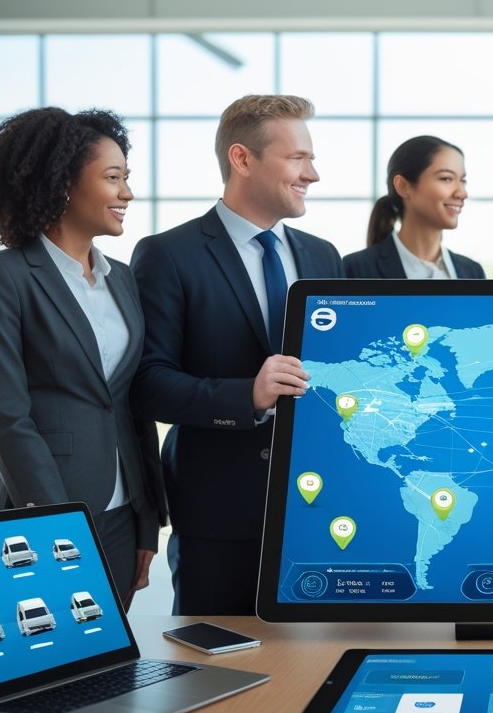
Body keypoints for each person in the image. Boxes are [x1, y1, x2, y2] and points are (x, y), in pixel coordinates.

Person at [130, 95, 343, 615]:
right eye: (297, 158)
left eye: (311, 159)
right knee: (217, 655)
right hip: (219, 514)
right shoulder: (168, 254)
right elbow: (148, 383)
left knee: (317, 657)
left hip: (320, 509)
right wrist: (247, 395)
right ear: (242, 158)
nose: (312, 174)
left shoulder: (323, 255)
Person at [0, 107, 166, 607]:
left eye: (127, 178)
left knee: (116, 650)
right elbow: (6, 417)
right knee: (53, 646)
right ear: (64, 184)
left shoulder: (122, 278)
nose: (127, 193)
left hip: (123, 515)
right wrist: (57, 524)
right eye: (113, 178)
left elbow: (129, 403)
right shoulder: (1, 276)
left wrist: (147, 519)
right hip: (48, 516)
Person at [344, 135, 485, 279]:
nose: (462, 193)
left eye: (462, 180)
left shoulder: (473, 272)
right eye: (446, 178)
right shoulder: (354, 269)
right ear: (403, 186)